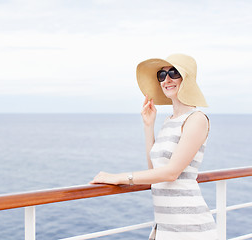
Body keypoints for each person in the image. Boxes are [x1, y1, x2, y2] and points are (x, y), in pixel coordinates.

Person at [90, 54, 217, 239]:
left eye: (174, 73)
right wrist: (148, 125)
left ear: (187, 79)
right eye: (161, 74)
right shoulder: (169, 121)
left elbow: (171, 173)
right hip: (165, 226)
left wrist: (118, 177)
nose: (166, 80)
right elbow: (155, 171)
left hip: (190, 227)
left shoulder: (196, 119)